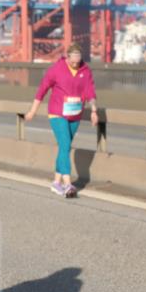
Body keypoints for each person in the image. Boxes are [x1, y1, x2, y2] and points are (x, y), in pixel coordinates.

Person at [24, 40, 99, 198]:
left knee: (64, 147)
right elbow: (42, 90)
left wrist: (93, 110)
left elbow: (90, 91)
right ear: (67, 57)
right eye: (72, 59)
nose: (75, 63)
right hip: (57, 113)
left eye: (78, 59)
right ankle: (67, 183)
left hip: (75, 114)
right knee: (65, 144)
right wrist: (32, 111)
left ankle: (56, 182)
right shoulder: (56, 69)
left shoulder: (85, 71)